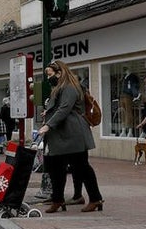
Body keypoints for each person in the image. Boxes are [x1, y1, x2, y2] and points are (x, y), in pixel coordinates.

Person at [38, 60, 104, 213]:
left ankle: (95, 198)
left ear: (59, 73)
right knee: (56, 168)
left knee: (82, 167)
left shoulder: (69, 87)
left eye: (50, 74)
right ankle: (58, 199)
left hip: (73, 135)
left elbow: (65, 109)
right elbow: (59, 108)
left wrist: (48, 124)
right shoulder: (61, 87)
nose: (48, 78)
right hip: (62, 135)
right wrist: (47, 113)